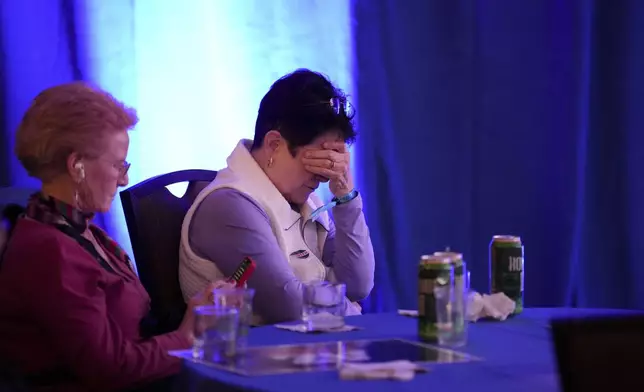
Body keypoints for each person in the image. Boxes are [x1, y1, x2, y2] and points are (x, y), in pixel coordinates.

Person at [0, 82, 230, 392]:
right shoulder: (48, 251)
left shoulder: (82, 233)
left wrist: (194, 318)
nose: (124, 179)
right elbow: (110, 369)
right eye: (118, 164)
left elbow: (132, 341)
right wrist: (189, 337)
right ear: (76, 165)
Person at [179, 69, 375, 324]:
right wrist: (349, 310)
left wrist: (346, 196)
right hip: (242, 358)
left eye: (334, 161)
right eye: (319, 160)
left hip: (305, 353)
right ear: (274, 145)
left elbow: (358, 285)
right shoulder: (228, 204)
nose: (325, 175)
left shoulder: (305, 200)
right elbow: (289, 307)